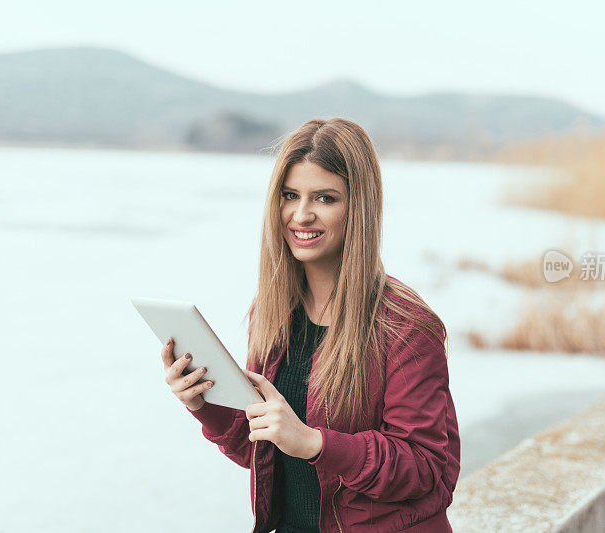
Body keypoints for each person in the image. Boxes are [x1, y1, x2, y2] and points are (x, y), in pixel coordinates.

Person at [161, 118, 460, 532]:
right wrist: (204, 405)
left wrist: (314, 443)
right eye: (290, 195)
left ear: (359, 207)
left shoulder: (406, 326)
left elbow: (424, 466)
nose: (301, 215)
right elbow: (264, 454)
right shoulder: (272, 313)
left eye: (324, 198)